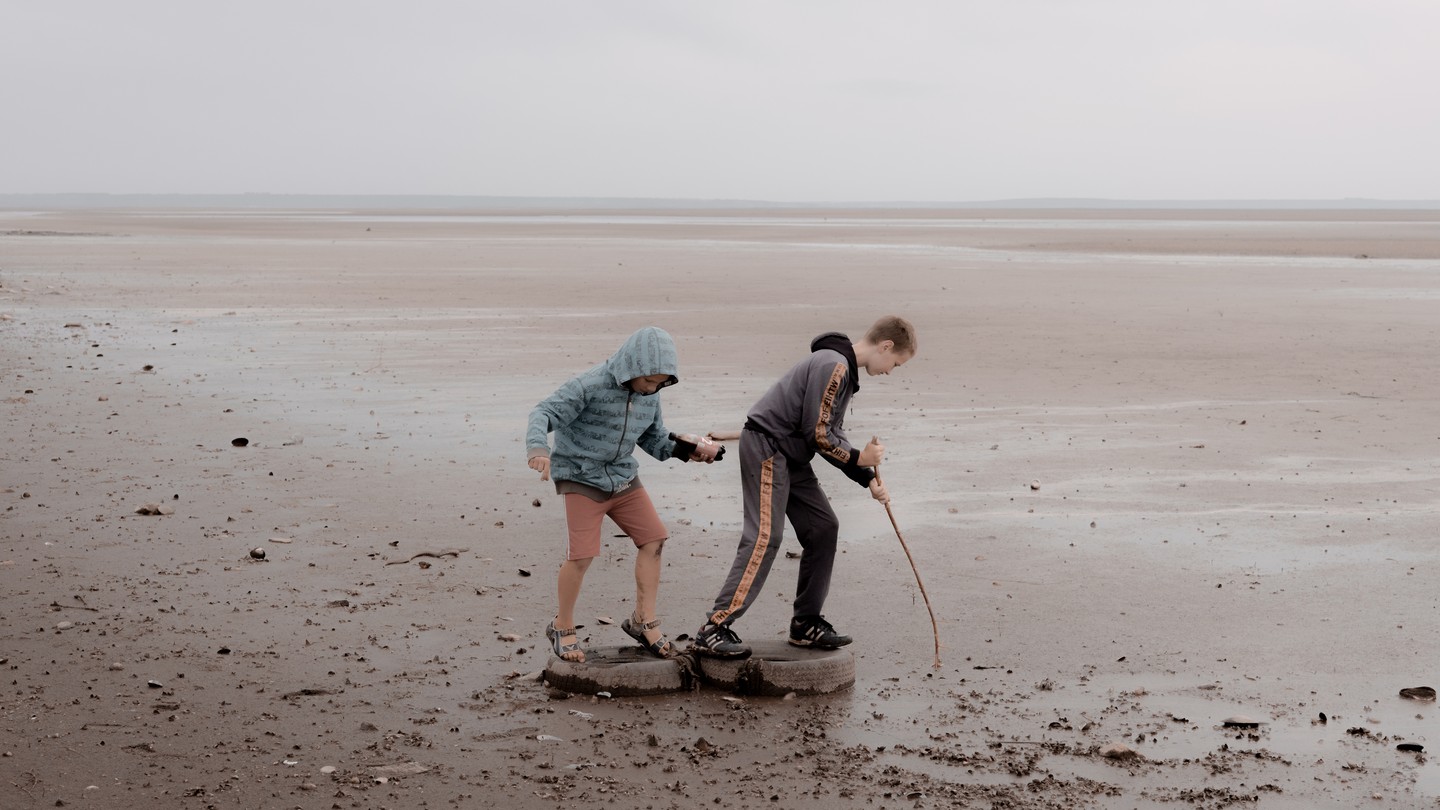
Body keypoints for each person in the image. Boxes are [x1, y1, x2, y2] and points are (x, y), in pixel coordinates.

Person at [692, 316, 917, 659]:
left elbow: (828, 434)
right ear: (885, 346)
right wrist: (861, 458)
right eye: (895, 363)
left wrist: (867, 478)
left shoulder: (843, 370)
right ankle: (714, 628)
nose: (890, 371)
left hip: (791, 452)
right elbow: (821, 435)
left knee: (823, 527)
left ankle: (806, 624)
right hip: (768, 448)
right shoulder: (834, 365)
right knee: (766, 536)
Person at [527, 326, 720, 663]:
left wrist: (684, 451)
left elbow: (653, 437)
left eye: (661, 383)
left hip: (622, 476)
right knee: (582, 556)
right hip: (581, 477)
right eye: (649, 381)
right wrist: (538, 449)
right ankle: (562, 626)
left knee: (654, 540)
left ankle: (643, 621)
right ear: (632, 367)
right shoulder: (588, 385)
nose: (653, 388)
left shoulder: (651, 394)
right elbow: (542, 413)